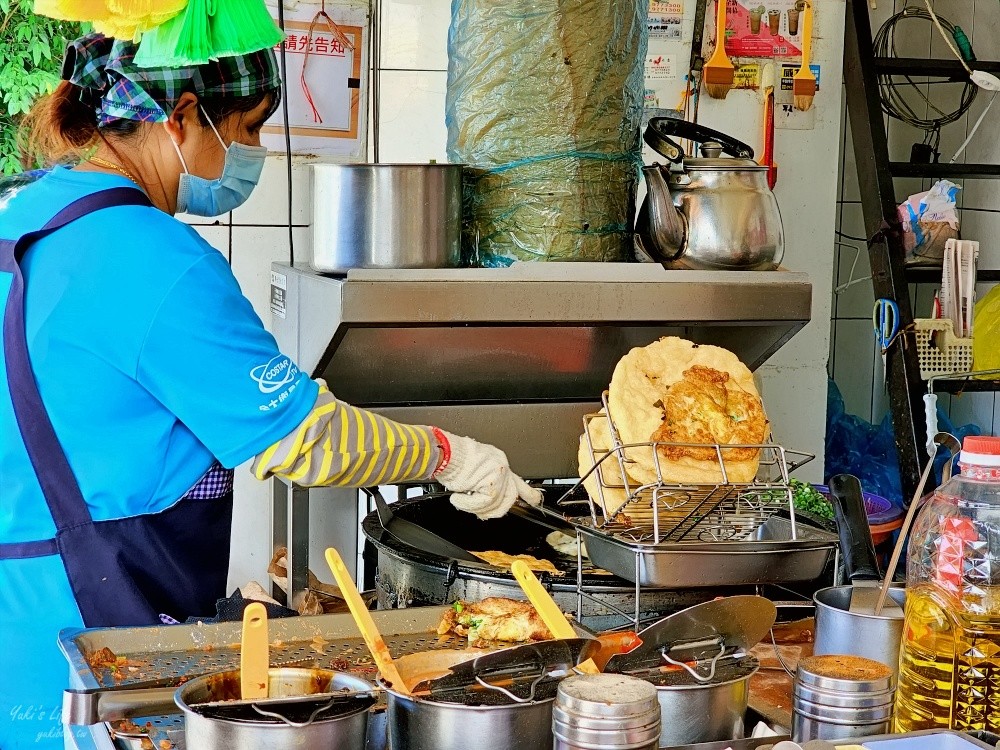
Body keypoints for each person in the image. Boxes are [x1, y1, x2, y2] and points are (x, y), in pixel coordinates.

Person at [0, 34, 540, 749]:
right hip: (90, 637)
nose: (250, 152)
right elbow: (306, 440)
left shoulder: (23, 213)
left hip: (19, 627)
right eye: (248, 129)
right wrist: (450, 455)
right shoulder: (151, 258)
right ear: (182, 116)